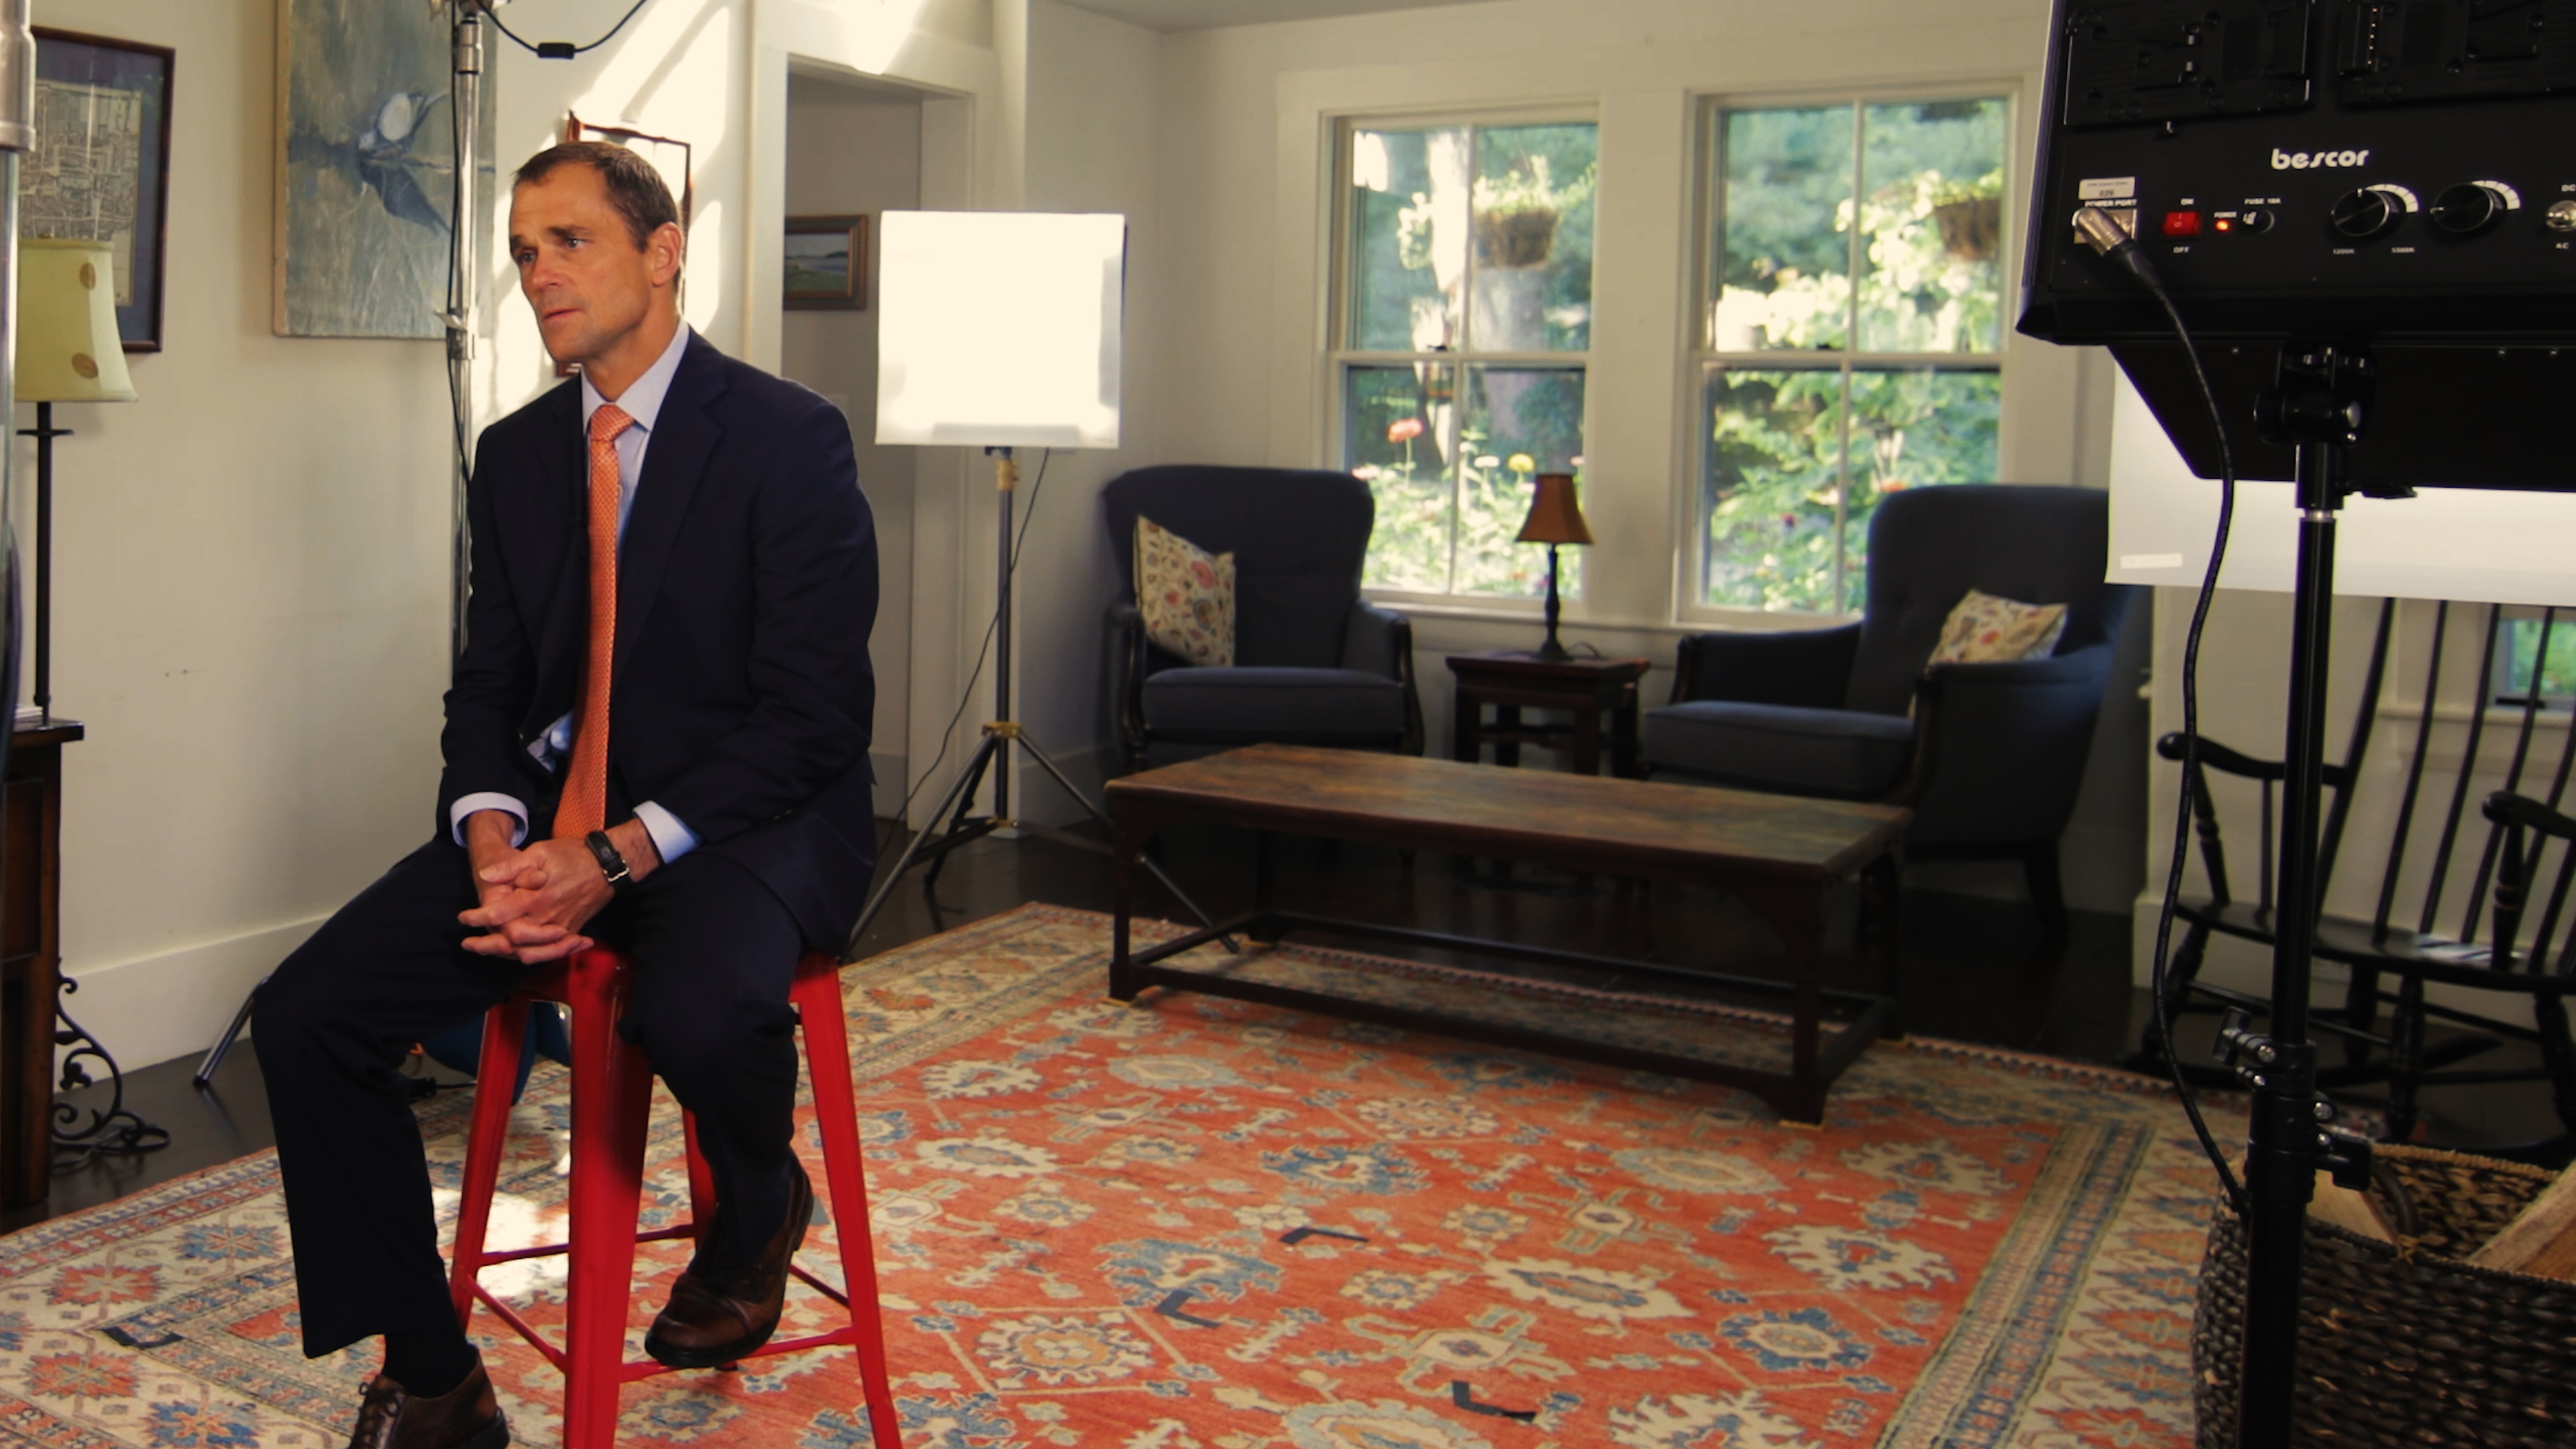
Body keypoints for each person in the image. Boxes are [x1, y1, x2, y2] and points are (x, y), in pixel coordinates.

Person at [254, 142, 879, 1449]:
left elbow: (811, 720)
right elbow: (487, 685)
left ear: (663, 251)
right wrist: (492, 837)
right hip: (553, 824)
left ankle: (759, 1202)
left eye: (570, 242)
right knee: (307, 1015)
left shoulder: (787, 438)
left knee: (704, 1019)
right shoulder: (519, 453)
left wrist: (617, 855)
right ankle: (434, 1375)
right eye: (523, 250)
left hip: (740, 823)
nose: (538, 272)